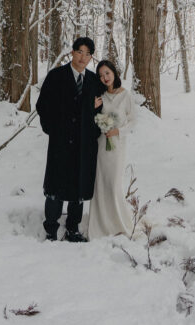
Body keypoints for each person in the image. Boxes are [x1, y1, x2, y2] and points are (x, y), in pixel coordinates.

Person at [36, 37, 100, 242]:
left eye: (88, 53)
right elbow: (42, 105)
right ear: (72, 53)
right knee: (55, 186)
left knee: (78, 187)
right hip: (60, 142)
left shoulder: (93, 80)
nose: (83, 57)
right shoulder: (56, 76)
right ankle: (51, 229)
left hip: (84, 144)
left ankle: (73, 228)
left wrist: (93, 133)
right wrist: (52, 129)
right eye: (79, 51)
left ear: (91, 57)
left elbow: (101, 112)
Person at [87, 58, 136, 240]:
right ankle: (101, 224)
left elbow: (133, 121)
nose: (104, 77)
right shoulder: (100, 96)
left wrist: (118, 131)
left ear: (114, 73)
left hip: (117, 146)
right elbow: (92, 119)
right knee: (101, 184)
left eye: (107, 73)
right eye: (101, 75)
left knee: (114, 184)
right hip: (102, 145)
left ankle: (118, 223)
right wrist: (94, 110)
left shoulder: (126, 95)